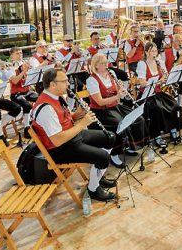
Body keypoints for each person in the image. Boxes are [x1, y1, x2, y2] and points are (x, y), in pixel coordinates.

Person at [31, 68, 117, 202]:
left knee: (110, 137)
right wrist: (82, 123)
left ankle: (97, 177)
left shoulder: (57, 97)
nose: (68, 84)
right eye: (64, 81)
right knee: (103, 157)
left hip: (72, 137)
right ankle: (93, 189)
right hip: (60, 149)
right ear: (53, 84)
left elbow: (65, 118)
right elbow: (57, 140)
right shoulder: (45, 108)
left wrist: (78, 114)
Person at [86, 54, 146, 168]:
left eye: (106, 62)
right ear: (96, 65)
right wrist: (117, 96)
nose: (106, 65)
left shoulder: (111, 74)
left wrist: (123, 92)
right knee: (119, 124)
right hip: (101, 111)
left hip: (115, 107)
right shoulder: (91, 80)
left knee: (138, 119)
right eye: (102, 63)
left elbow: (118, 95)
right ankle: (115, 153)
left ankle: (129, 145)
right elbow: (100, 102)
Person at [136, 42, 182, 150]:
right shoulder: (142, 64)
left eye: (155, 51)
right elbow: (143, 83)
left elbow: (164, 79)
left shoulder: (160, 63)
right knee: (156, 109)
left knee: (174, 105)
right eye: (151, 51)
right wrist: (158, 81)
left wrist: (166, 79)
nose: (154, 53)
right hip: (146, 95)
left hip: (157, 93)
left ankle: (173, 130)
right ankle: (156, 136)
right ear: (146, 52)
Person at [7, 47, 38, 138]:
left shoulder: (24, 63)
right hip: (16, 93)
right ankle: (26, 127)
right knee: (27, 105)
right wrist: (24, 70)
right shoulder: (10, 67)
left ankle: (34, 121)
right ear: (11, 55)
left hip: (27, 91)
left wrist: (30, 71)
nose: (20, 55)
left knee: (41, 98)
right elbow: (15, 81)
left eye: (20, 53)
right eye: (17, 53)